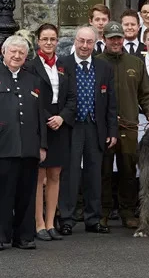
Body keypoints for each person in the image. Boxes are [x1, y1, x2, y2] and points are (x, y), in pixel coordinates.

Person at [97, 21, 149, 229]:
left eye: (119, 37)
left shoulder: (136, 63)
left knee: (128, 171)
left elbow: (146, 94)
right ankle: (102, 212)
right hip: (103, 127)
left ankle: (127, 212)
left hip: (130, 126)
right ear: (104, 39)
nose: (115, 41)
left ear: (124, 39)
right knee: (103, 171)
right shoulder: (97, 62)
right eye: (111, 37)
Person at [58, 26, 117, 236]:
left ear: (96, 42)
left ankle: (93, 219)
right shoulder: (62, 64)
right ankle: (66, 218)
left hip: (95, 126)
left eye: (89, 42)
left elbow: (111, 102)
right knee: (70, 174)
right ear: (75, 41)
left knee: (95, 174)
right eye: (81, 41)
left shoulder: (104, 67)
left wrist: (112, 130)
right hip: (71, 126)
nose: (84, 46)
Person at [29, 24, 77, 242]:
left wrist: (62, 117)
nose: (49, 43)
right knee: (39, 176)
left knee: (55, 174)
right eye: (45, 39)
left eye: (53, 39)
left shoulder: (64, 65)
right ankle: (38, 223)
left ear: (57, 41)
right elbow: (33, 97)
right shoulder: (31, 66)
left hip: (60, 124)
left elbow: (72, 97)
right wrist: (48, 117)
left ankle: (50, 223)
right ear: (38, 41)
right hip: (40, 124)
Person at [0, 36, 47, 251]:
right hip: (4, 146)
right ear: (4, 52)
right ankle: (2, 236)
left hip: (29, 146)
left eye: (21, 53)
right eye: (13, 52)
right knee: (3, 194)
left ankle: (24, 236)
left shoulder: (33, 80)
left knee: (26, 194)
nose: (17, 56)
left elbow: (40, 116)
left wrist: (42, 145)